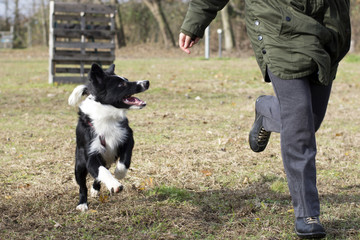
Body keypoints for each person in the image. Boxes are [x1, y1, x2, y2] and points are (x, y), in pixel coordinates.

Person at [179, 0, 351, 239]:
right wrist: (195, 22)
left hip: (328, 25)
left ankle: (267, 110)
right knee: (300, 127)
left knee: (309, 119)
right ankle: (307, 214)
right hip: (279, 22)